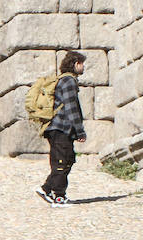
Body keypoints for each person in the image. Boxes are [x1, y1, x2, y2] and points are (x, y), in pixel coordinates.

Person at [38, 51, 87, 207]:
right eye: (81, 63)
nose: (83, 66)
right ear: (75, 63)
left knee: (68, 159)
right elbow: (71, 108)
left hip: (57, 128)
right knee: (61, 161)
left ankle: (47, 188)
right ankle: (58, 196)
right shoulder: (69, 81)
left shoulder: (64, 81)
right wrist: (80, 131)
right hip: (61, 129)